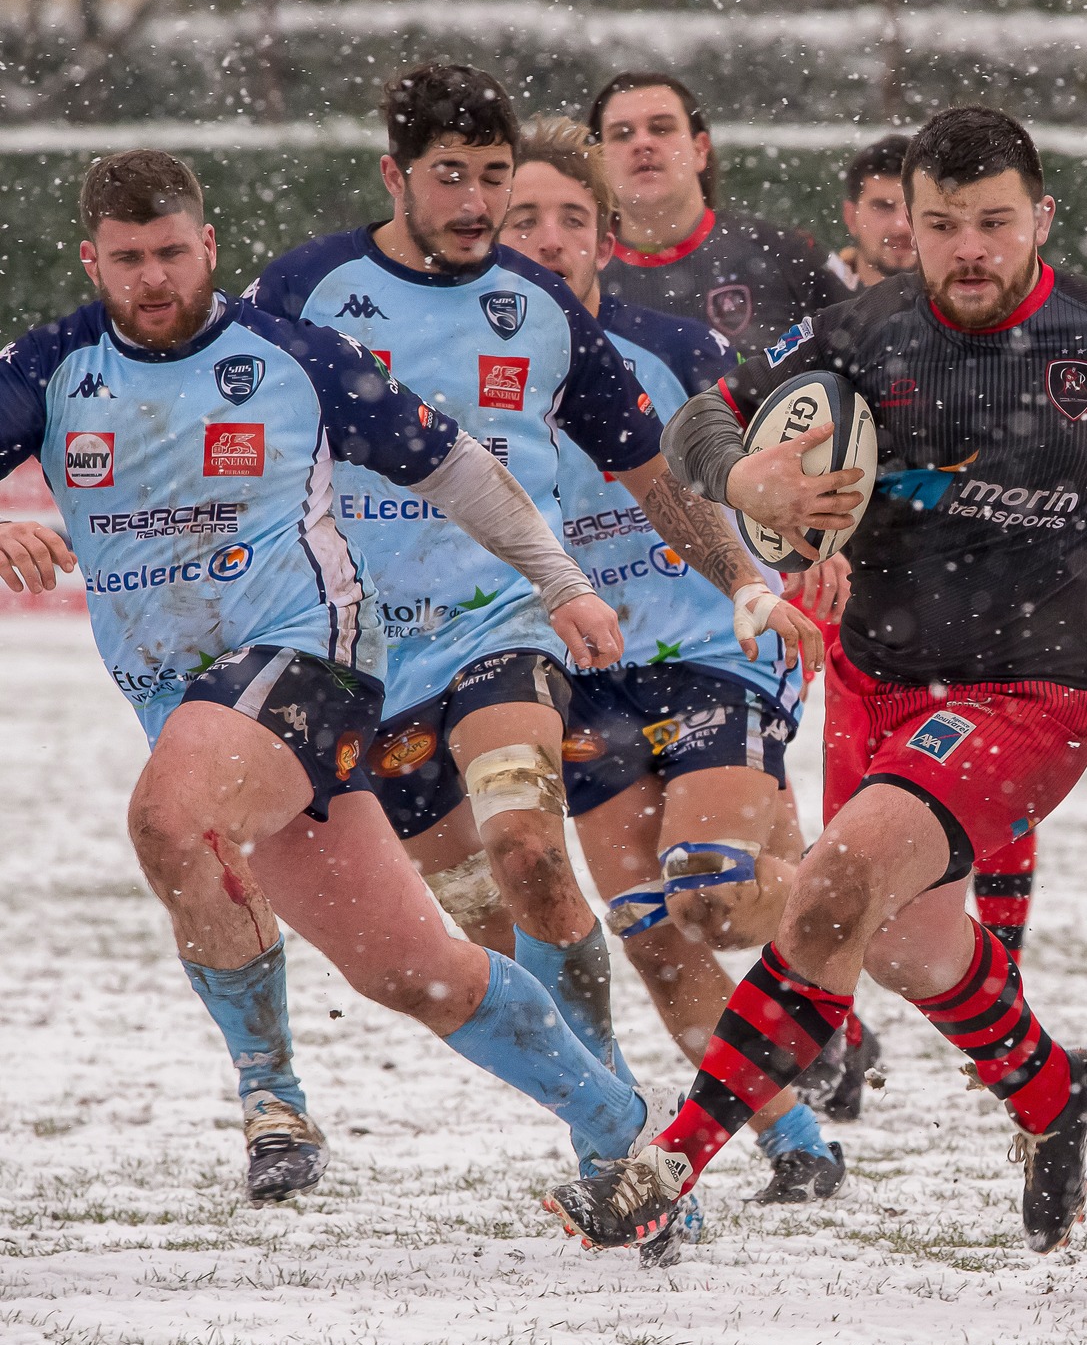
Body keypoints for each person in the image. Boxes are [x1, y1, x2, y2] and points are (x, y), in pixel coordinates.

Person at [543, 105, 1087, 1256]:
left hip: (1036, 690)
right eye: (942, 224)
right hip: (876, 674)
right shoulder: (857, 328)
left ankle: (665, 1163)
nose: (970, 250)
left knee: (836, 884)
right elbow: (703, 417)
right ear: (911, 222)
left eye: (994, 222)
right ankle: (1052, 1094)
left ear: (1038, 216)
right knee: (898, 947)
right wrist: (747, 478)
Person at [0, 148, 665, 1202]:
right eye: (128, 259)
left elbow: (455, 465)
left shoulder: (295, 355)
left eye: (173, 251)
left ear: (209, 245)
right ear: (92, 259)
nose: (155, 278)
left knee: (169, 821)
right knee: (415, 971)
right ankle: (623, 1127)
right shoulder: (48, 368)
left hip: (310, 660)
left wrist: (563, 584)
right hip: (189, 702)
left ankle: (270, 1098)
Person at [249, 63, 819, 1182]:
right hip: (366, 661)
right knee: (484, 933)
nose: (479, 206)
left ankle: (751, 1065)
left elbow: (657, 475)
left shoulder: (544, 312)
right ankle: (613, 1118)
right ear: (395, 177)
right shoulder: (305, 290)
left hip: (511, 630)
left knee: (535, 848)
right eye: (454, 179)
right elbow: (233, 428)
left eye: (494, 180)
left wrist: (744, 575)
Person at [499, 114, 860, 1214]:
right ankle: (794, 1135)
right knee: (652, 934)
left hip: (715, 647)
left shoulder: (684, 355)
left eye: (572, 219)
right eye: (524, 219)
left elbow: (804, 465)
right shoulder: (474, 382)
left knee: (706, 893)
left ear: (606, 239)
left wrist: (819, 551)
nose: (549, 239)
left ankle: (847, 902)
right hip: (585, 676)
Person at [821, 131, 1043, 954]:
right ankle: (840, 1016)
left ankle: (1004, 957)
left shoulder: (994, 317)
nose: (898, 227)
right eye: (883, 207)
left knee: (988, 787)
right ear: (860, 215)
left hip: (983, 599)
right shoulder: (833, 318)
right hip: (863, 602)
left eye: (906, 209)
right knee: (848, 828)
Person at [588, 71, 851, 357]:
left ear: (700, 149)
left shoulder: (784, 253)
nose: (642, 143)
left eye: (661, 128)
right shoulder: (577, 274)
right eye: (622, 134)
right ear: (598, 161)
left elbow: (874, 354)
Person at [827, 134, 915, 291]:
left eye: (914, 208)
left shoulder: (969, 308)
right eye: (883, 207)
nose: (901, 226)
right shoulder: (806, 301)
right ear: (851, 217)